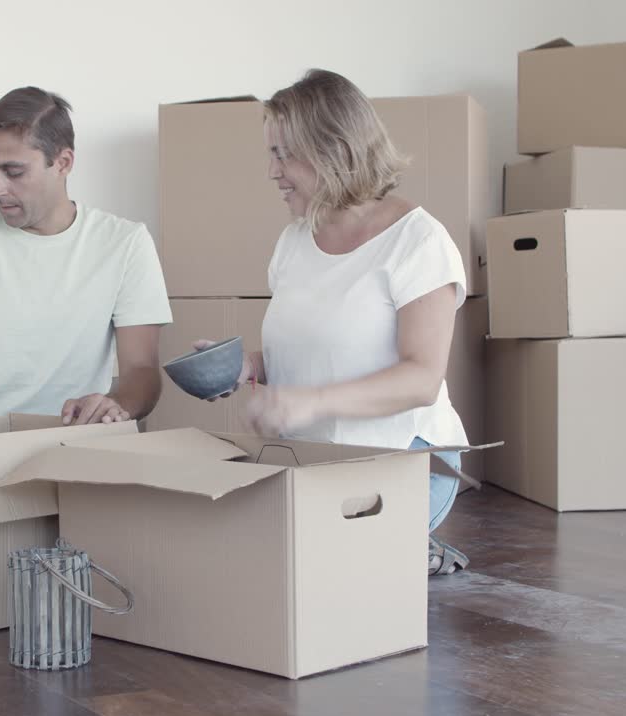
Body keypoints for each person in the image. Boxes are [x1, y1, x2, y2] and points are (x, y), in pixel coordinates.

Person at [195, 69, 471, 575]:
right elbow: (302, 354)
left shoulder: (419, 242)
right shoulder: (295, 241)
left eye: (283, 154)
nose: (272, 172)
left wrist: (306, 403)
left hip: (402, 462)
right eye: (270, 154)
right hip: (313, 461)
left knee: (322, 573)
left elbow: (421, 379)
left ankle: (413, 545)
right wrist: (241, 366)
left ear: (334, 149)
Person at [0, 86, 172, 426]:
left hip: (79, 443)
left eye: (13, 172)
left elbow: (142, 371)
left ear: (63, 163)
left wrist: (114, 405)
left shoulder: (125, 243)